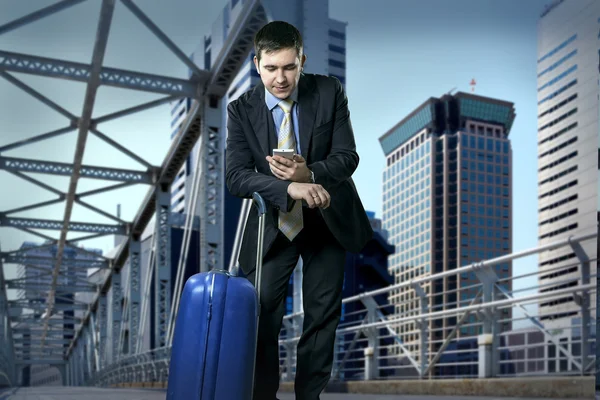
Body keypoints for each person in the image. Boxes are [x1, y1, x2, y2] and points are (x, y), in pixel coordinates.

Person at [225, 20, 373, 400]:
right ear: (257, 64)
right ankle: (263, 396)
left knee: (322, 316)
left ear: (301, 61)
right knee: (261, 314)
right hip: (276, 223)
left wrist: (310, 173)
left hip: (328, 219)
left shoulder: (328, 91)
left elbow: (347, 157)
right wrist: (290, 186)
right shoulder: (240, 110)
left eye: (289, 67)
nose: (280, 79)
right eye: (271, 68)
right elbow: (236, 176)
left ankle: (310, 397)